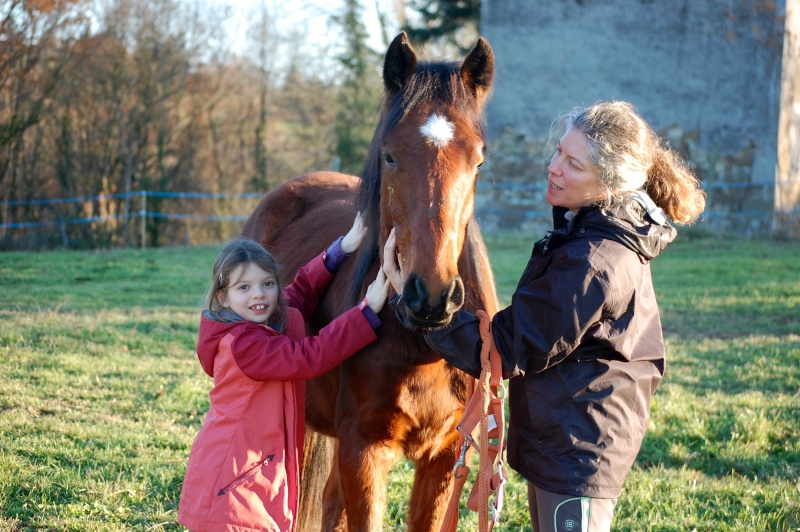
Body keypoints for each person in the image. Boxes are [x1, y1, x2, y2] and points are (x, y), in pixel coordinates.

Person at [383, 101, 706, 532]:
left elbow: (504, 347)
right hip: (567, 439)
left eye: (573, 164)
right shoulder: (586, 234)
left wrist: (414, 301)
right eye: (559, 151)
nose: (554, 167)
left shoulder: (593, 261)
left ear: (607, 187)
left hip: (579, 451)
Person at [178, 214, 390, 531]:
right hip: (233, 478)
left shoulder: (252, 323)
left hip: (248, 467)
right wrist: (366, 312)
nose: (258, 295)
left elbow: (300, 292)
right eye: (244, 287)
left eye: (267, 284)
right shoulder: (244, 345)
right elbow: (309, 357)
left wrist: (341, 249)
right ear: (223, 296)